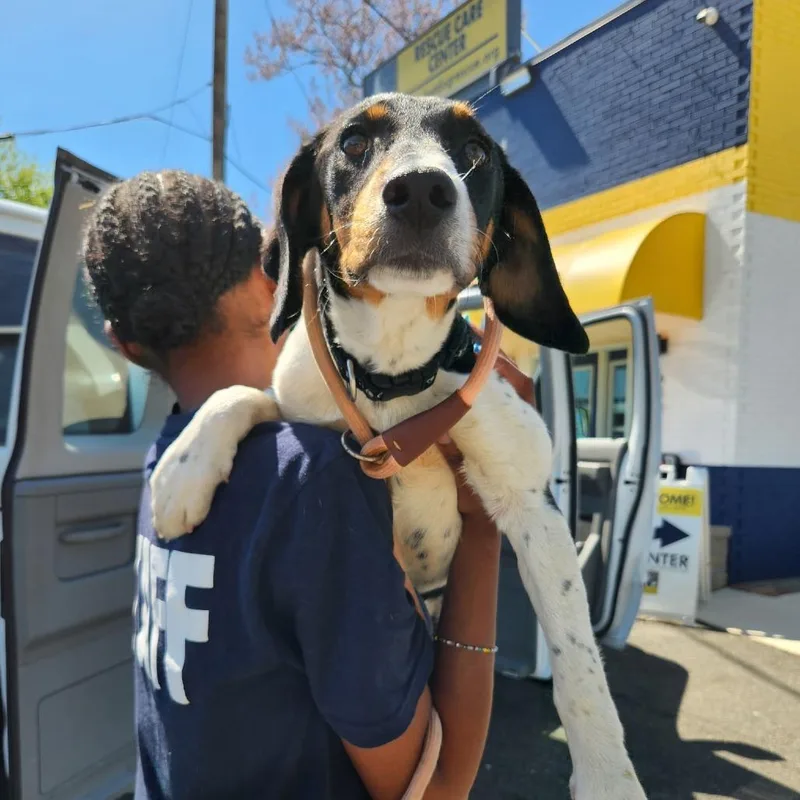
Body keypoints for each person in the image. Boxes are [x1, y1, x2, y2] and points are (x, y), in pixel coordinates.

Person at [82, 169, 503, 800]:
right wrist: (485, 524)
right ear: (268, 275)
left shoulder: (170, 460)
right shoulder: (312, 477)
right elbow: (437, 788)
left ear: (124, 346)